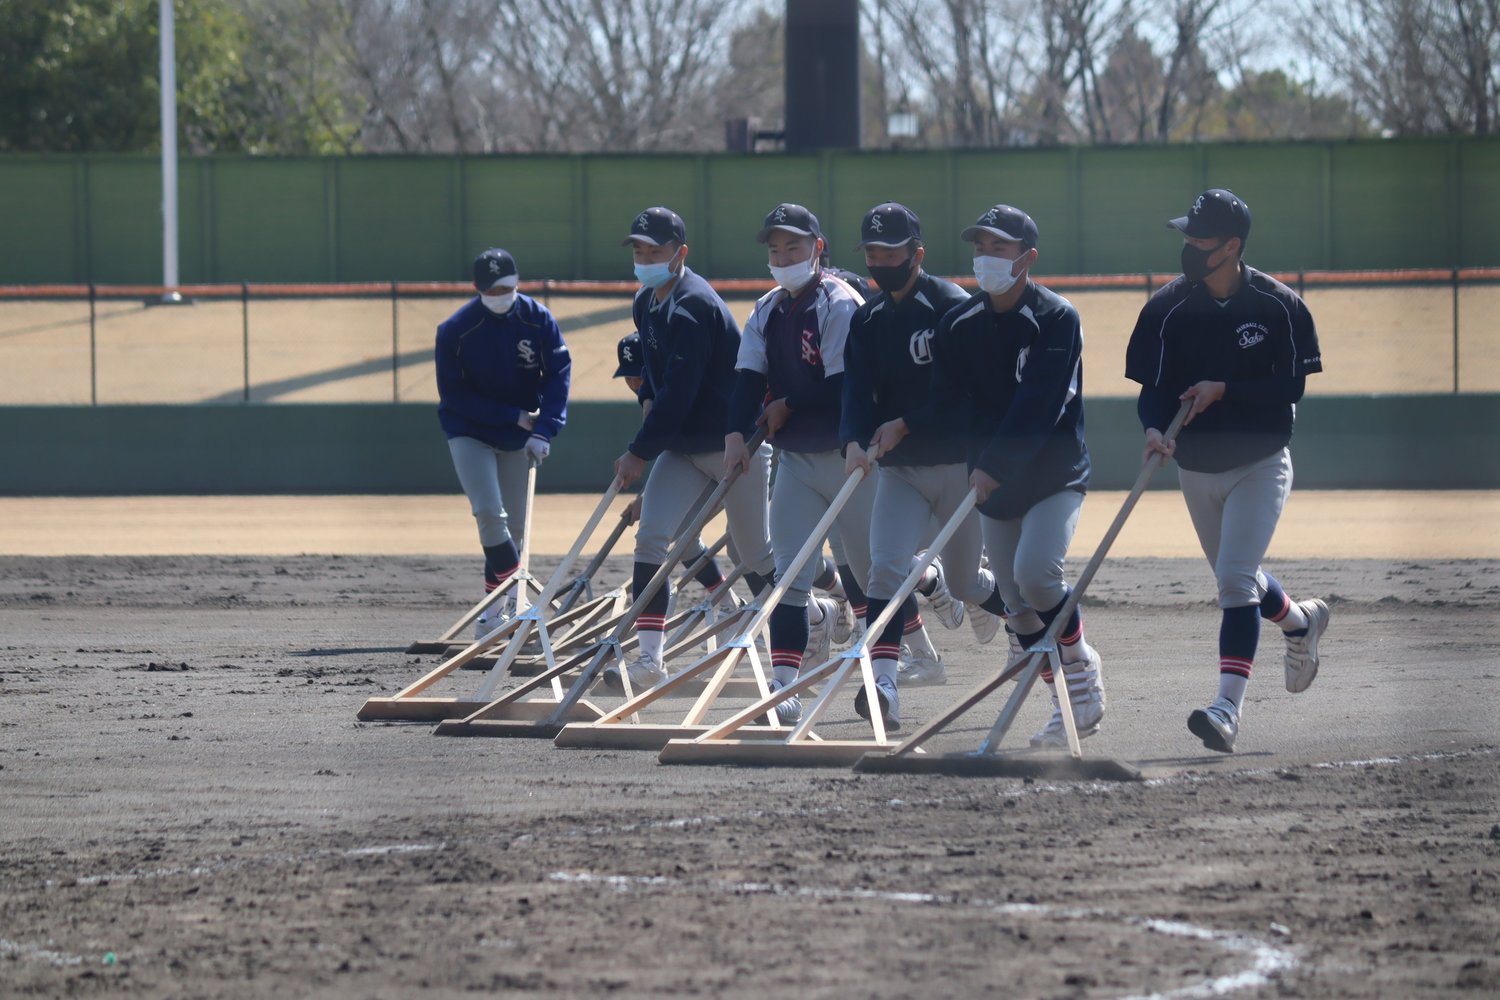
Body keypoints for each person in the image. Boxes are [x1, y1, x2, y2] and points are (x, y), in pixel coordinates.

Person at [1125, 188, 1330, 753]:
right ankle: (1299, 622)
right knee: (1238, 579)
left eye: (1200, 239)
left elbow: (1291, 388)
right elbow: (1153, 390)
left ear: (1232, 246)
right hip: (1196, 466)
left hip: (1260, 462)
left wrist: (1225, 391)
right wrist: (1152, 427)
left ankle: (1226, 710)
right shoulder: (1167, 307)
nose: (1189, 247)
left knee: (1235, 583)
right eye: (1187, 236)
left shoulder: (1279, 305)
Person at [930, 205, 1105, 748]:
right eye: (980, 248)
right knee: (1015, 605)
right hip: (993, 484)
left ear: (1027, 258)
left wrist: (993, 465)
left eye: (999, 249)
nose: (986, 258)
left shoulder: (1057, 318)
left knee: (1037, 576)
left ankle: (1081, 668)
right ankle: (1065, 707)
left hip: (1053, 475)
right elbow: (951, 404)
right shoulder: (958, 323)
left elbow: (1040, 406)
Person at [842, 203, 1013, 727]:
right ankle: (885, 689)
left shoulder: (952, 307)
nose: (879, 261)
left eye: (890, 251)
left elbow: (970, 394)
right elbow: (855, 390)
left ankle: (1024, 623)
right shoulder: (867, 318)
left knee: (964, 582)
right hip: (902, 472)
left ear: (916, 254)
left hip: (959, 470)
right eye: (872, 252)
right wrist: (852, 437)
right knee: (885, 569)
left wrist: (907, 423)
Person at [602, 207, 776, 693]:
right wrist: (646, 403)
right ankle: (649, 661)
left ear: (680, 254)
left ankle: (806, 616)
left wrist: (639, 451)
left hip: (730, 444)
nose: (644, 259)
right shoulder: (646, 302)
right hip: (683, 449)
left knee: (755, 552)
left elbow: (681, 392)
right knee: (653, 540)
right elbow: (658, 383)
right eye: (639, 251)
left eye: (654, 252)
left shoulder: (694, 304)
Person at [725, 203, 867, 723]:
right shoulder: (765, 309)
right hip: (796, 463)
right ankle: (783, 690)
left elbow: (840, 387)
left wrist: (786, 405)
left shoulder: (840, 302)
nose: (783, 257)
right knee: (788, 575)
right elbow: (746, 379)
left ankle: (894, 667)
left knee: (869, 573)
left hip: (849, 456)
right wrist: (736, 436)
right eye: (775, 248)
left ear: (817, 249)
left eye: (794, 246)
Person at [435, 249, 570, 638]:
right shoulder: (455, 330)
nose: (501, 293)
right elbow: (454, 396)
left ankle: (493, 616)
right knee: (490, 515)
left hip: (521, 433)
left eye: (507, 286)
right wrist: (513, 416)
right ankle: (520, 602)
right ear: (478, 288)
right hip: (469, 430)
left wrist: (546, 428)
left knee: (515, 531)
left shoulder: (537, 318)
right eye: (492, 288)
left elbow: (558, 373)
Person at [613, 332, 732, 608]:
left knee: (749, 551)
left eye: (638, 376)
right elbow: (669, 456)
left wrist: (646, 500)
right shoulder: (651, 396)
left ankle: (804, 606)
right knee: (681, 535)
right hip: (693, 463)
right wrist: (647, 499)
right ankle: (726, 601)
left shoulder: (679, 391)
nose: (634, 384)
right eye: (629, 378)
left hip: (727, 459)